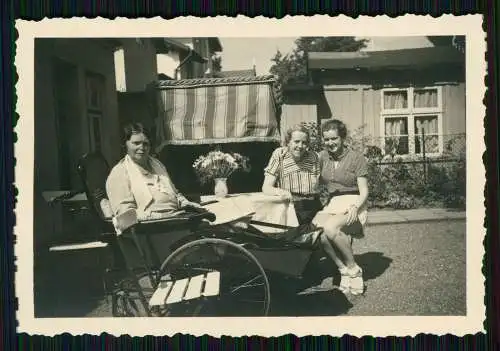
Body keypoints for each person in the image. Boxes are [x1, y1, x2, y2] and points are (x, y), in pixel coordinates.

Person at [262, 125, 346, 275]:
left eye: (304, 142)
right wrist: (280, 191)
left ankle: (342, 269)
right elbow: (266, 187)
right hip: (292, 206)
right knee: (295, 244)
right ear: (288, 141)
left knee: (328, 233)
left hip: (314, 203)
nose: (300, 146)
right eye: (296, 141)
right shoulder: (279, 155)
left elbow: (325, 181)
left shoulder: (314, 156)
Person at [312, 119, 369, 295]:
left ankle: (354, 269)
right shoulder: (322, 157)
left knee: (331, 228)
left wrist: (355, 207)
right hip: (333, 202)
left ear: (342, 138)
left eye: (334, 139)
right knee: (317, 232)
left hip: (354, 201)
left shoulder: (356, 157)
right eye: (327, 139)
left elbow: (364, 190)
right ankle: (342, 268)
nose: (331, 143)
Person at [106, 122, 202, 221]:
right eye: (136, 143)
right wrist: (159, 217)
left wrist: (187, 204)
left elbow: (175, 193)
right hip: (150, 229)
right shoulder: (119, 173)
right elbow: (125, 216)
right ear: (125, 144)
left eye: (145, 144)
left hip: (176, 218)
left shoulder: (157, 165)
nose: (142, 148)